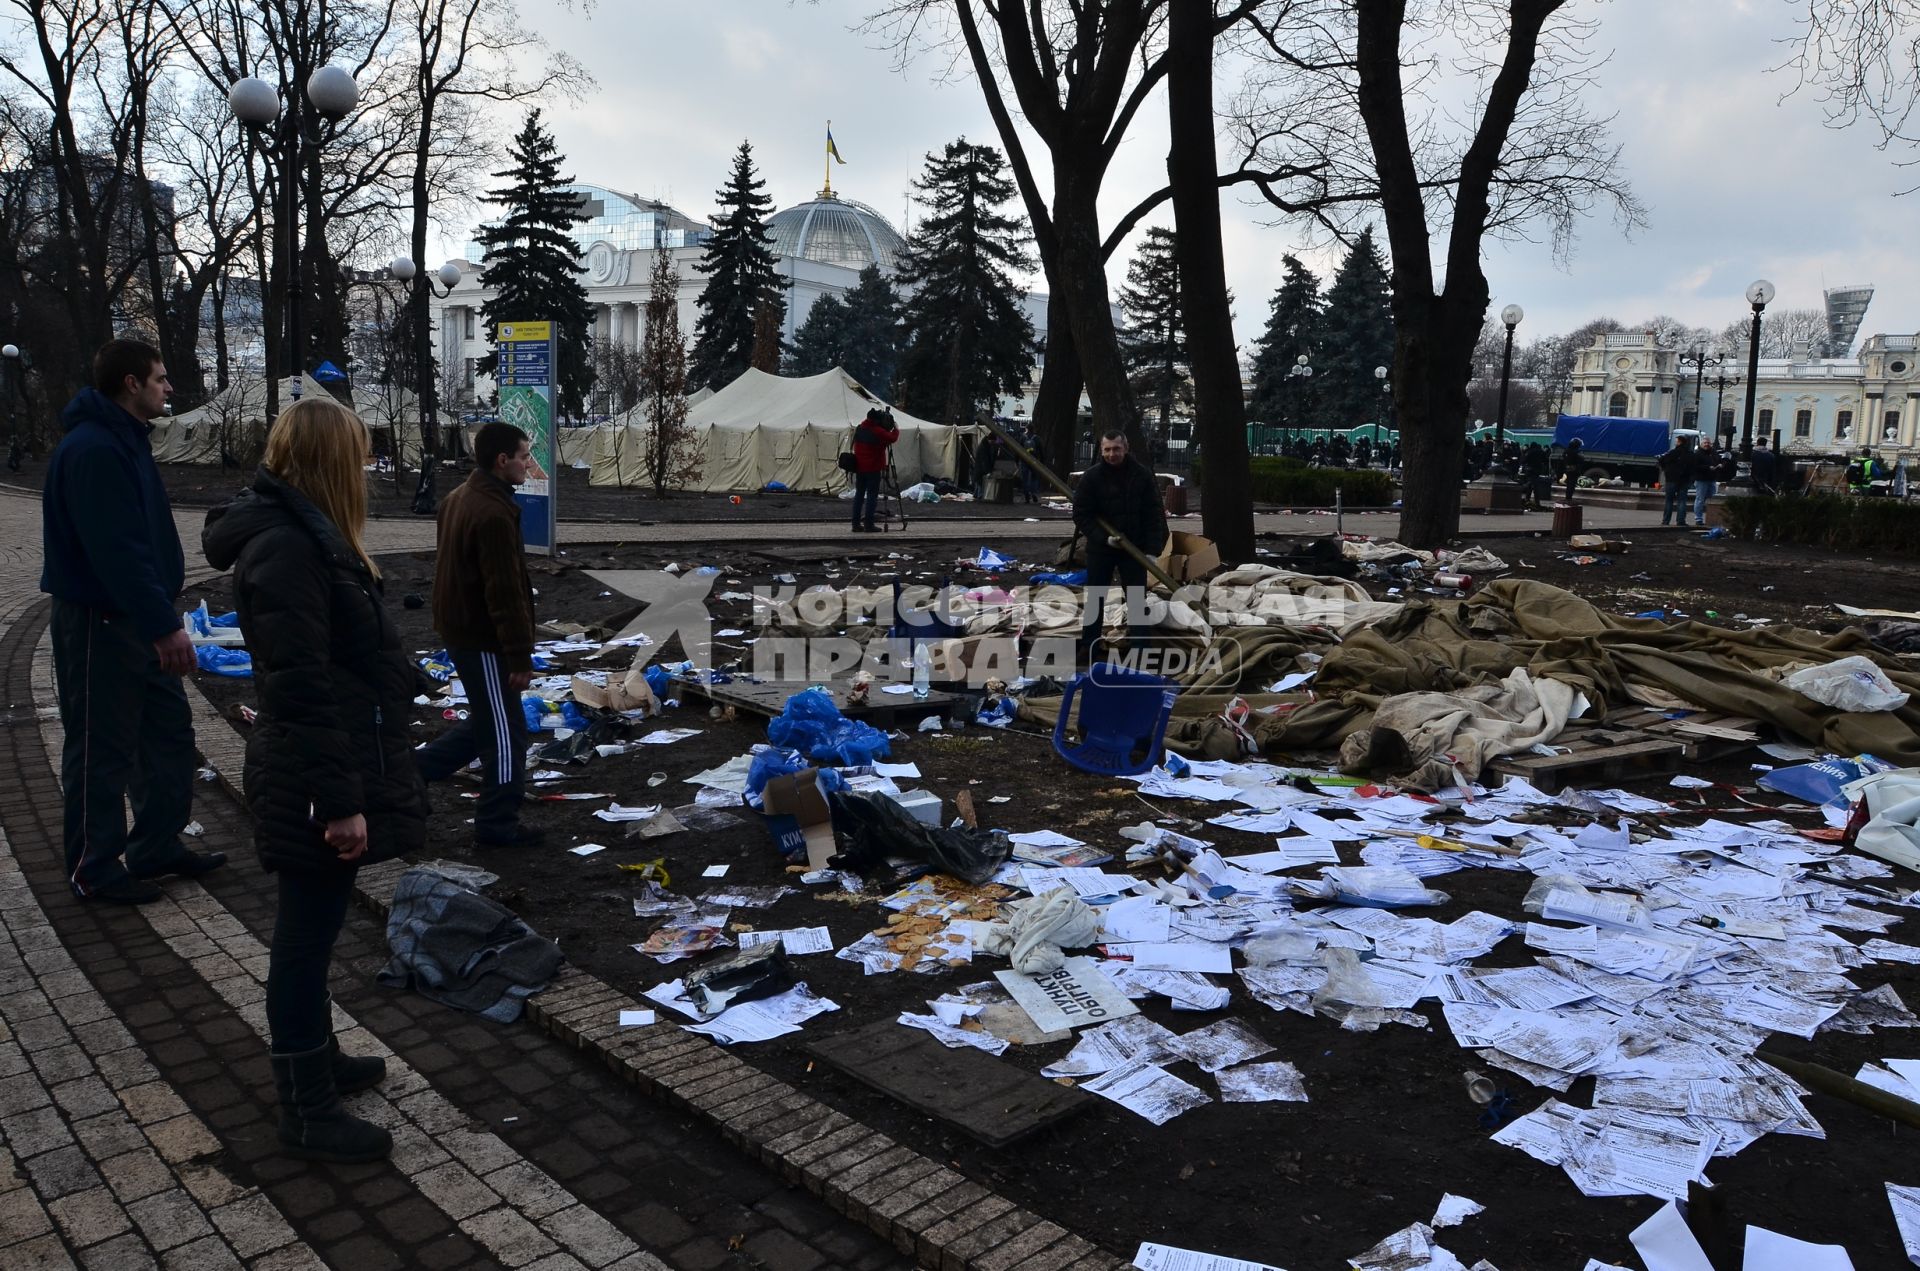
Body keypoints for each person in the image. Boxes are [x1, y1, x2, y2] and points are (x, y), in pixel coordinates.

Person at [202, 397, 424, 1164]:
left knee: (315, 932)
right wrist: (339, 802)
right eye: (358, 455)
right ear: (331, 462)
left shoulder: (305, 539)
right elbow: (299, 686)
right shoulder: (289, 550)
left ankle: (319, 1058)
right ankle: (306, 1106)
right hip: (310, 775)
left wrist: (402, 673)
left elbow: (339, 648)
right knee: (301, 940)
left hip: (317, 762)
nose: (366, 469)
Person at [41, 339, 223, 905]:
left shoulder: (125, 440)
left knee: (168, 736)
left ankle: (156, 846)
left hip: (140, 620)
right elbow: (116, 550)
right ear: (130, 384)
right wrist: (161, 624)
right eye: (161, 379)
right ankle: (94, 867)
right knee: (102, 748)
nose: (169, 387)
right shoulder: (95, 449)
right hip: (103, 623)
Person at [414, 422, 541, 847]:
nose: (528, 463)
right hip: (482, 638)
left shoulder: (459, 498)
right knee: (507, 733)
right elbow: (503, 591)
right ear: (501, 461)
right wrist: (519, 655)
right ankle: (496, 825)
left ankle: (412, 773)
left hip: (461, 631)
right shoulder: (491, 512)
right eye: (523, 456)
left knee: (490, 720)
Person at [1073, 430, 1169, 655]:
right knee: (1096, 596)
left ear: (1125, 448)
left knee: (1136, 599)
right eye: (1107, 449)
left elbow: (1153, 514)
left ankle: (1141, 649)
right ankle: (1090, 647)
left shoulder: (1142, 475)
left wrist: (1152, 551)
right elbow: (1081, 515)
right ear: (1102, 450)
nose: (1111, 454)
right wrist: (1103, 538)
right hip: (1101, 548)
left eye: (1116, 449)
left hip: (1133, 548)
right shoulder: (1092, 477)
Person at [849, 408, 899, 532]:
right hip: (873, 468)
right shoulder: (877, 431)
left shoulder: (860, 428)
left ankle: (855, 524)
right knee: (872, 496)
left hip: (859, 467)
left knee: (859, 495)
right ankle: (869, 524)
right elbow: (892, 438)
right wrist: (896, 428)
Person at [1692, 439, 1733, 527]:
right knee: (1700, 499)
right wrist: (1707, 467)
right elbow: (1695, 466)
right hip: (1701, 479)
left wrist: (1721, 464)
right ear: (1701, 444)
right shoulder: (1698, 454)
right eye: (1705, 443)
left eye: (1708, 443)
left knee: (1712, 497)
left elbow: (1719, 460)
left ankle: (1711, 517)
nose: (1706, 444)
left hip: (1712, 478)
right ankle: (1698, 518)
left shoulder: (1714, 452)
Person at [1559, 438, 1583, 503]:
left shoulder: (1566, 451)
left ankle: (1568, 497)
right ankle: (1569, 498)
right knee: (1571, 484)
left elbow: (1563, 458)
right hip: (1574, 470)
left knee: (1569, 483)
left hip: (1567, 469)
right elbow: (1580, 460)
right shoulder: (1575, 452)